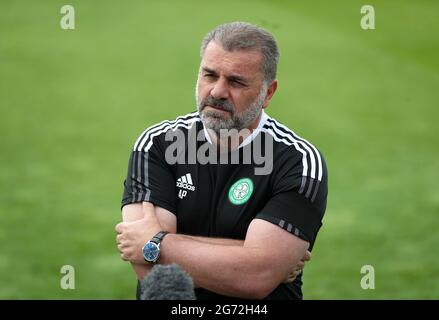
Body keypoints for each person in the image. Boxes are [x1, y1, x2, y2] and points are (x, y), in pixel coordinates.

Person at [116, 22, 328, 300]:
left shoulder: (298, 162)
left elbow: (256, 277)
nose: (217, 91)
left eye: (236, 81)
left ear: (268, 93)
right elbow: (150, 270)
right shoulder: (157, 144)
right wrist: (252, 256)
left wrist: (154, 242)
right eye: (209, 75)